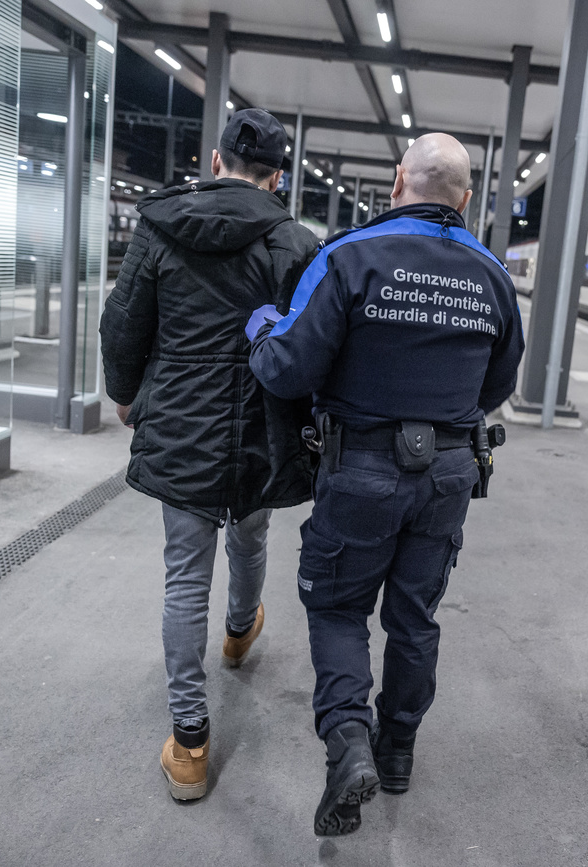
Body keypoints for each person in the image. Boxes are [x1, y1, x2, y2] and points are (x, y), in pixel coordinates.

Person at [247, 133, 525, 836]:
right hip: (452, 474)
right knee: (414, 616)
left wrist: (262, 326)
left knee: (338, 608)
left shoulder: (347, 258)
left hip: (361, 469)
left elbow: (285, 368)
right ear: (464, 199)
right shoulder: (493, 274)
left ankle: (348, 744)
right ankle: (396, 749)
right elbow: (499, 384)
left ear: (398, 181)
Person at [99, 108, 319, 801]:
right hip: (260, 431)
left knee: (183, 575)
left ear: (218, 160)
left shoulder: (161, 225)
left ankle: (190, 745)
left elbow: (122, 321)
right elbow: (311, 347)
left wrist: (125, 393)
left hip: (182, 429)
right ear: (278, 176)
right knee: (250, 536)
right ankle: (238, 630)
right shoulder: (295, 241)